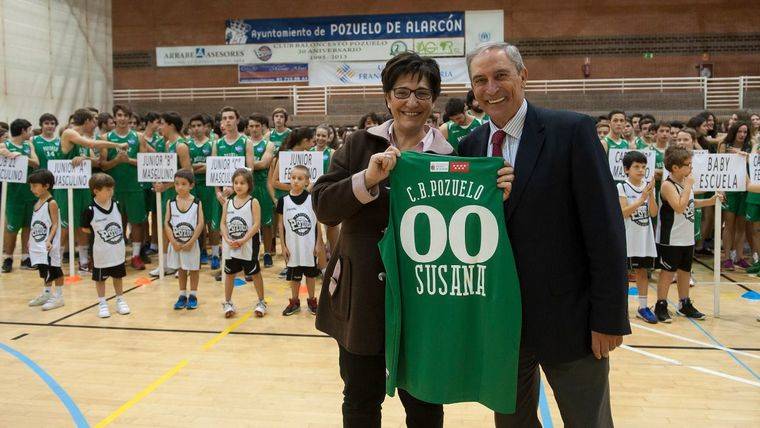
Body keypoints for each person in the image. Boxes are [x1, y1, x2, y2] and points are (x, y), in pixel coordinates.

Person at [458, 42, 629, 427]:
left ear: (523, 76)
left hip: (572, 321)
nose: (491, 88)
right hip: (501, 324)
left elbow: (605, 230)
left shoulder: (571, 130)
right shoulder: (468, 148)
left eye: (500, 75)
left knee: (588, 421)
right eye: (480, 80)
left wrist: (609, 316)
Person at [313, 52, 471, 427]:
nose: (411, 103)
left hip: (425, 299)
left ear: (433, 100)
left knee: (425, 404)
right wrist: (366, 180)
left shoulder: (452, 157)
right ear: (387, 98)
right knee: (360, 398)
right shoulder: (358, 145)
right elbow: (323, 206)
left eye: (421, 93)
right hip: (361, 295)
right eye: (402, 92)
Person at [655, 146, 722, 322]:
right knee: (667, 272)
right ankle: (660, 304)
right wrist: (689, 185)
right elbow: (679, 206)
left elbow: (690, 202)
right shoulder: (667, 185)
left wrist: (710, 201)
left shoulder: (685, 182)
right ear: (675, 167)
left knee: (685, 271)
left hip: (686, 236)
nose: (691, 168)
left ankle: (684, 303)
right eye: (687, 165)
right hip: (670, 238)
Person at [100, 104, 151, 270]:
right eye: (119, 115)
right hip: (112, 188)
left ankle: (136, 255)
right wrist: (116, 161)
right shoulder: (106, 137)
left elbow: (144, 162)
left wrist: (128, 160)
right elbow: (103, 165)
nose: (122, 118)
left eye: (125, 115)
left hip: (134, 186)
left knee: (137, 222)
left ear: (130, 118)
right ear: (114, 118)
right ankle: (118, 255)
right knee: (116, 222)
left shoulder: (138, 137)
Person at [81, 173, 130, 318]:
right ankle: (102, 302)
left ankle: (120, 299)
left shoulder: (117, 204)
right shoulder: (90, 210)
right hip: (100, 252)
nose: (111, 192)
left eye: (112, 189)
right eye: (107, 189)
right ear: (96, 191)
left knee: (118, 277)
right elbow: (84, 228)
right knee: (100, 279)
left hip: (117, 250)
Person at [618, 152, 658, 323]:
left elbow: (653, 213)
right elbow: (623, 213)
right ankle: (621, 309)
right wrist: (642, 198)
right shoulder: (622, 187)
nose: (641, 170)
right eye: (636, 167)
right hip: (628, 237)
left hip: (644, 237)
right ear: (627, 169)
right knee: (623, 274)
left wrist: (650, 195)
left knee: (642, 272)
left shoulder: (648, 187)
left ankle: (642, 307)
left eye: (643, 167)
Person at [220, 168, 267, 318]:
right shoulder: (228, 202)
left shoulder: (253, 202)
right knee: (230, 274)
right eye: (236, 182)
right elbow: (222, 224)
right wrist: (227, 239)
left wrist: (243, 240)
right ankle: (227, 302)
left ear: (249, 185)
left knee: (255, 273)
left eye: (242, 183)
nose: (239, 186)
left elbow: (257, 224)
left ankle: (261, 301)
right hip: (231, 244)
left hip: (248, 244)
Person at [278, 165, 323, 316]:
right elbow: (280, 225)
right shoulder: (283, 201)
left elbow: (317, 223)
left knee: (310, 275)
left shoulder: (312, 199)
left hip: (309, 245)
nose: (295, 181)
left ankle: (312, 301)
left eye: (300, 178)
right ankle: (295, 302)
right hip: (292, 246)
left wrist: (319, 243)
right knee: (294, 276)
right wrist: (283, 246)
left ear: (307, 181)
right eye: (293, 178)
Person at [1, 119, 40, 272]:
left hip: (29, 191)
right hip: (13, 193)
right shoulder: (5, 145)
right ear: (23, 131)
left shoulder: (28, 145)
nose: (31, 133)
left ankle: (26, 257)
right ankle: (8, 258)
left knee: (28, 226)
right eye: (29, 130)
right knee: (12, 227)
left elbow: (36, 163)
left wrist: (21, 158)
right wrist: (6, 153)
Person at [165, 170, 204, 310]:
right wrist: (173, 241)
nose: (180, 187)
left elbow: (200, 224)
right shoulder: (171, 202)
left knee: (193, 269)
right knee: (181, 268)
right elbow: (167, 223)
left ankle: (193, 294)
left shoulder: (197, 202)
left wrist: (191, 241)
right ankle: (182, 294)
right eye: (177, 184)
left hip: (191, 243)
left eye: (183, 184)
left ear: (191, 185)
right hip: (177, 243)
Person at [26, 169, 64, 311]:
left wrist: (49, 240)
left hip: (49, 244)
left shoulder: (51, 203)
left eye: (35, 186)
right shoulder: (37, 202)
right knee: (44, 269)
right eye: (31, 186)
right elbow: (35, 223)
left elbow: (55, 224)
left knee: (55, 269)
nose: (32, 189)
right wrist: (31, 239)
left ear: (46, 186)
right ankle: (47, 294)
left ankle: (59, 296)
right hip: (38, 244)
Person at [185, 114, 219, 269]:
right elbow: (186, 167)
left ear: (206, 127)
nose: (196, 128)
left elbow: (212, 165)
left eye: (199, 125)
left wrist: (195, 167)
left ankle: (216, 254)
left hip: (209, 185)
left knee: (212, 222)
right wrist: (200, 167)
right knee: (198, 221)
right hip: (193, 186)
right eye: (193, 126)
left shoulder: (213, 143)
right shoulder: (187, 144)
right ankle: (202, 251)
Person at [718, 122, 752, 270]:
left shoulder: (749, 147)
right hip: (730, 188)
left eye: (745, 132)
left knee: (741, 225)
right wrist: (721, 188)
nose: (742, 134)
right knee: (729, 224)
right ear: (734, 131)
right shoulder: (724, 145)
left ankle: (739, 256)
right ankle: (726, 258)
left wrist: (748, 156)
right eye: (740, 131)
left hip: (745, 188)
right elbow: (719, 167)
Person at [247, 114, 276, 268]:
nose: (254, 129)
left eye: (257, 126)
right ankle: (252, 252)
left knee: (266, 222)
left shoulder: (268, 144)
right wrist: (251, 164)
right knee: (248, 221)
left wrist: (248, 163)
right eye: (251, 126)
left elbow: (264, 163)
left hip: (262, 184)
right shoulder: (245, 142)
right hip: (246, 187)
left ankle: (267, 253)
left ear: (263, 127)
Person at [311, 124, 339, 260]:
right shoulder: (308, 152)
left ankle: (334, 257)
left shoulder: (333, 153)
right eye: (318, 135)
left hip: (326, 193)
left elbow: (335, 174)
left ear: (328, 138)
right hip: (310, 193)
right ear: (315, 136)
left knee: (330, 227)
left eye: (323, 136)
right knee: (313, 226)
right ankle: (317, 258)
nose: (320, 138)